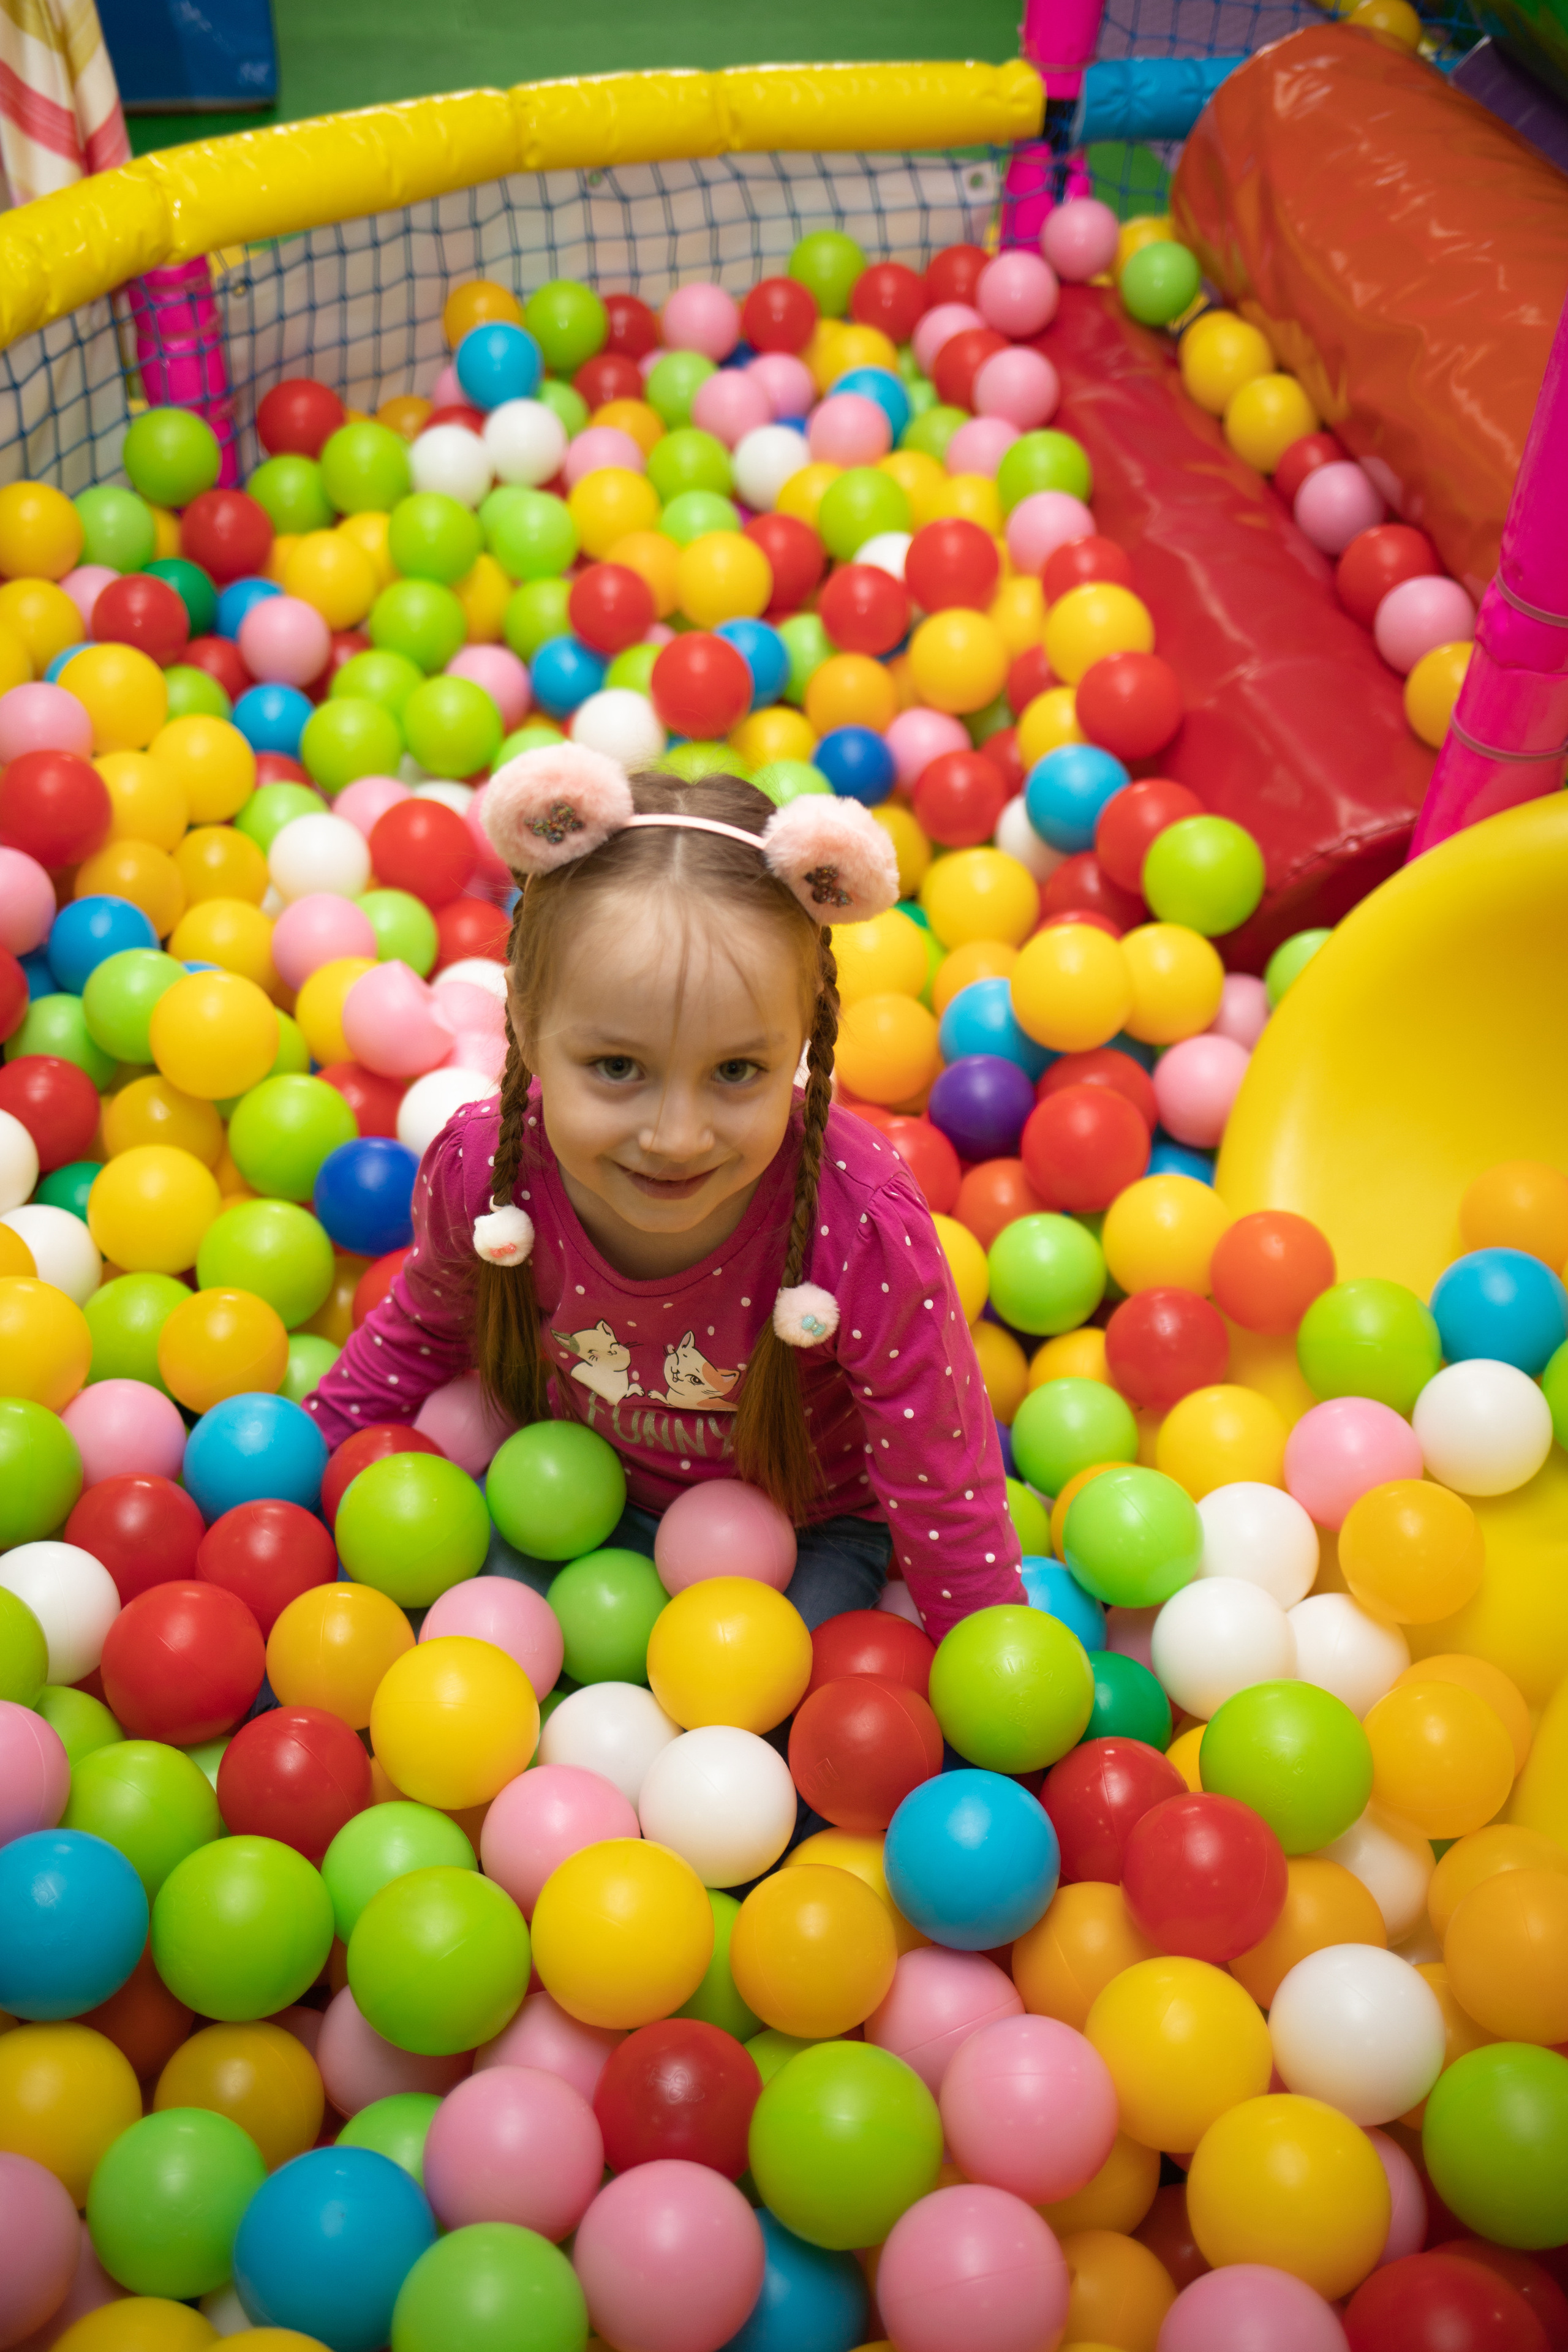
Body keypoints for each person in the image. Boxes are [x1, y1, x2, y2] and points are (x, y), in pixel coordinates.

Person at [306, 744, 1025, 1640]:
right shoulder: (486, 1165)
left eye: (736, 1071)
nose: (675, 1138)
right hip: (562, 1488)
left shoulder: (859, 1225)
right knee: (451, 1633)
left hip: (804, 1531)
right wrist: (308, 1466)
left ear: (802, 1039)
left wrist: (991, 1660)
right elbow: (425, 1322)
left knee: (763, 1713)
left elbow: (939, 1471)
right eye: (617, 1067)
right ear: (524, 1018)